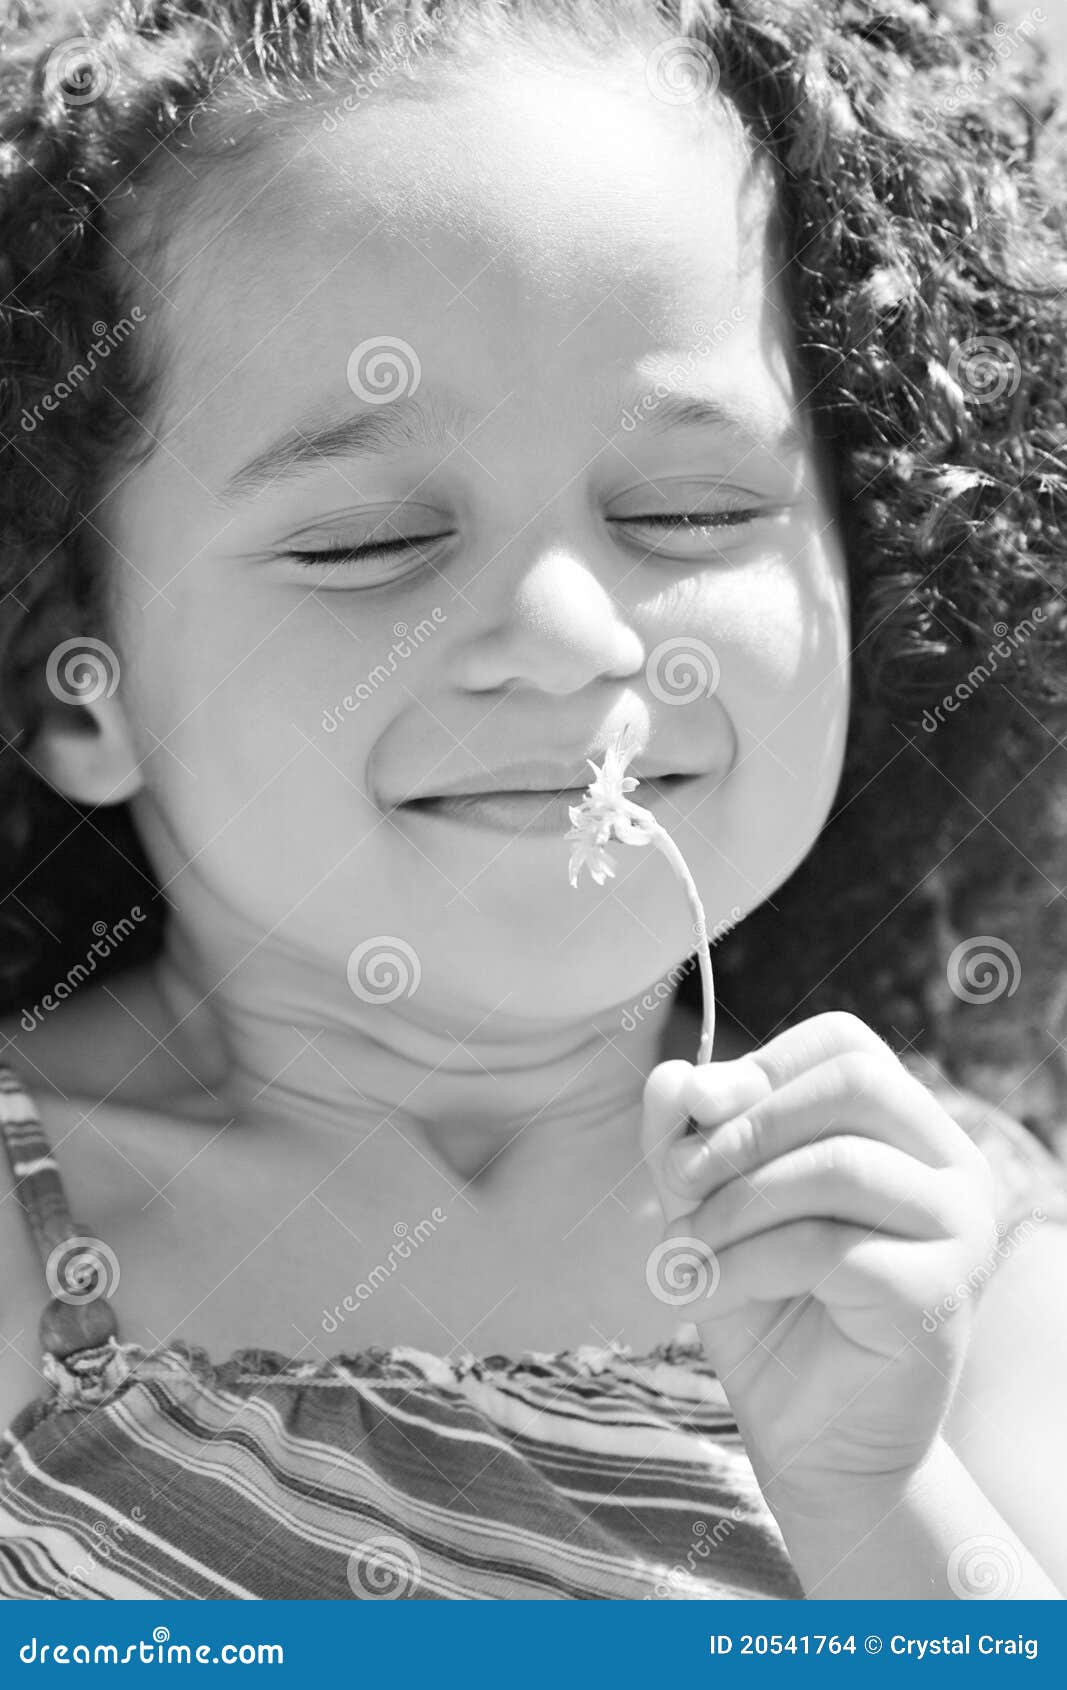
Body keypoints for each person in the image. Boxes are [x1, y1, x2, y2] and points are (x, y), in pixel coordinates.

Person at [0, 0, 1065, 1600]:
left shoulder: (949, 1238)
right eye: (368, 542)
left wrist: (876, 1491)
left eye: (690, 509)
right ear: (71, 686)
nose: (574, 641)